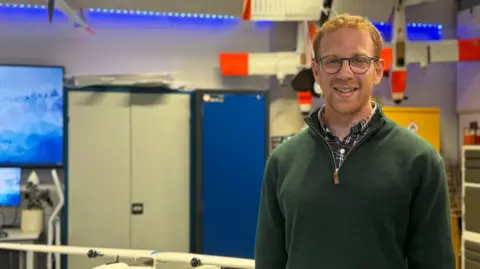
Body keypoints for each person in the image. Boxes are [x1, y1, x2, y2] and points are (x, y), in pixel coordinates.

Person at [254, 13, 456, 269]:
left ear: (378, 70)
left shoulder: (420, 161)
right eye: (332, 61)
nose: (345, 73)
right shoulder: (282, 162)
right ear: (316, 71)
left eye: (359, 60)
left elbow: (435, 263)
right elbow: (269, 261)